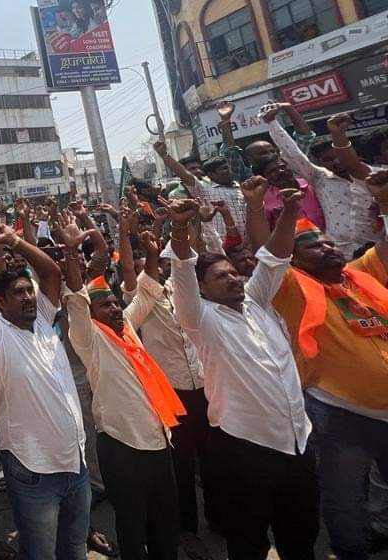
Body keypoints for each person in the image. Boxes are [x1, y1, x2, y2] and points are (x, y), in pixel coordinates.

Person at [162, 194, 319, 560]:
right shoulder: (200, 319)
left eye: (234, 272)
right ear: (202, 289)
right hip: (244, 449)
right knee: (248, 543)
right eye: (221, 277)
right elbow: (183, 270)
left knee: (301, 538)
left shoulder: (257, 301)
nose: (233, 278)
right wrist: (181, 227)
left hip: (297, 443)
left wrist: (290, 209)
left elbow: (275, 256)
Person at [246, 172, 388, 560]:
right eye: (312, 246)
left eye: (327, 240)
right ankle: (351, 550)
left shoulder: (359, 276)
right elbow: (268, 254)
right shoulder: (291, 286)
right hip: (341, 414)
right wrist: (264, 208)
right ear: (294, 258)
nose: (325, 247)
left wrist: (386, 202)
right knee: (344, 497)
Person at [0, 219, 89, 560]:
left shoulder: (44, 321)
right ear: (1, 303)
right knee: (40, 553)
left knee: (75, 549)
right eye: (18, 293)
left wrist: (16, 242)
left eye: (28, 290)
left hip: (74, 465)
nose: (28, 297)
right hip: (33, 470)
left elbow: (51, 274)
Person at [62, 217, 182, 560]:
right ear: (93, 314)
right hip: (122, 448)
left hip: (160, 443)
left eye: (115, 303)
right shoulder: (89, 338)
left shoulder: (127, 327)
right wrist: (72, 253)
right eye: (106, 305)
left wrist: (154, 254)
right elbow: (75, 301)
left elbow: (146, 290)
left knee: (165, 525)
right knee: (132, 529)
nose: (115, 308)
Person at [117, 213, 210, 536]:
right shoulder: (140, 297)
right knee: (180, 464)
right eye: (149, 266)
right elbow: (129, 268)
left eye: (159, 262)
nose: (155, 268)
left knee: (212, 458)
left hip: (203, 383)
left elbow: (193, 253)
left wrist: (189, 221)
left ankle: (219, 517)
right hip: (171, 389)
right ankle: (187, 527)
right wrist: (124, 231)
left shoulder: (182, 290)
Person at [264, 105, 379, 257]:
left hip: (379, 250)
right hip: (341, 255)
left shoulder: (376, 176)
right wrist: (272, 122)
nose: (336, 162)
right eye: (328, 160)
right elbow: (294, 155)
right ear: (320, 162)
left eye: (338, 156)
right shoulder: (320, 179)